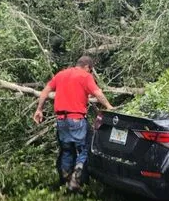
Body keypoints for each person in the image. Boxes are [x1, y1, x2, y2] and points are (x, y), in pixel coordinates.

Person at [33, 55, 114, 191]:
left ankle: (66, 177)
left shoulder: (61, 74)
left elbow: (45, 91)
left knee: (66, 150)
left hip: (61, 120)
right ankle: (76, 178)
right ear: (87, 67)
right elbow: (98, 93)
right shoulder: (85, 76)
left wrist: (39, 109)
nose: (90, 72)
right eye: (90, 70)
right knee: (84, 148)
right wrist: (109, 107)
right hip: (76, 119)